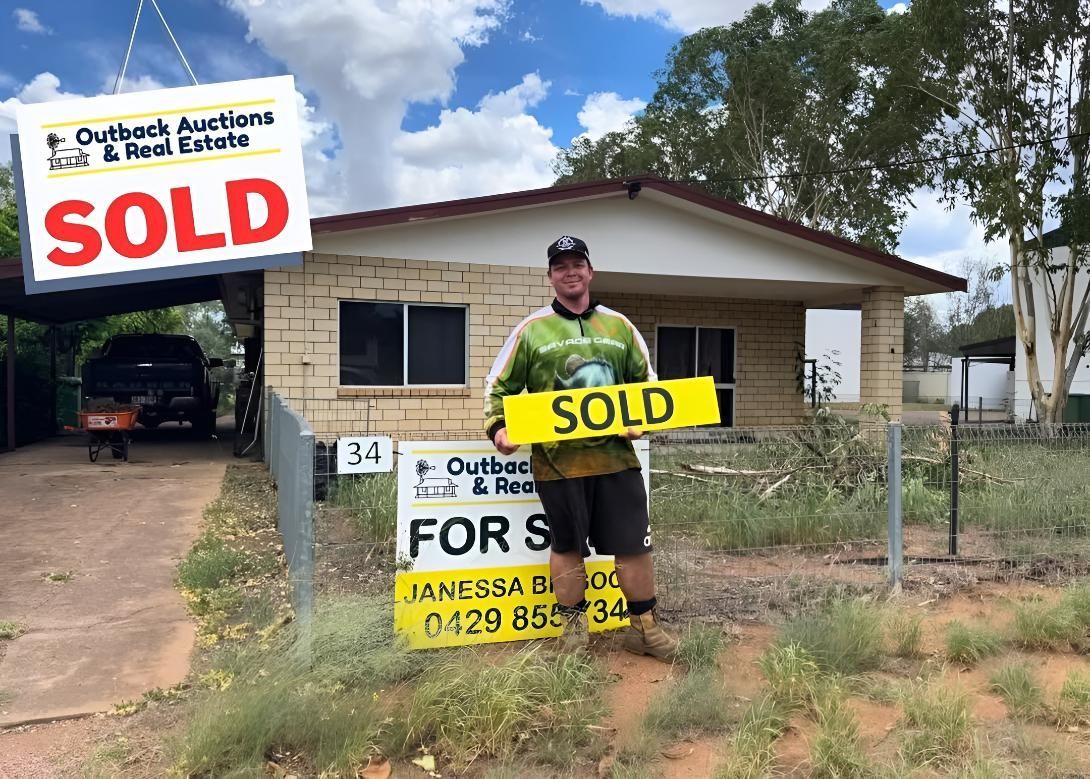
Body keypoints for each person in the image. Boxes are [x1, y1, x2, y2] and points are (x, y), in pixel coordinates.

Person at [483, 234, 678, 662]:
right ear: (551, 276)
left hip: (617, 462)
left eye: (577, 263)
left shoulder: (619, 326)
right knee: (567, 548)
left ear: (590, 271)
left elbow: (646, 383)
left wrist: (642, 421)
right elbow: (499, 387)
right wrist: (499, 430)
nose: (570, 271)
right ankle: (573, 636)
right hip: (558, 465)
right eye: (560, 266)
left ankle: (645, 631)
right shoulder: (531, 331)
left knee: (634, 546)